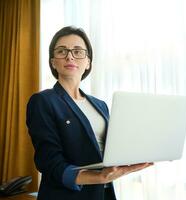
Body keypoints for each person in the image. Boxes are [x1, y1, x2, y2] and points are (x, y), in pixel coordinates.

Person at [26, 26, 152, 200]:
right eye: (62, 51)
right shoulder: (43, 101)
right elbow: (49, 161)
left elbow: (109, 150)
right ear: (53, 61)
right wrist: (98, 177)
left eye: (78, 51)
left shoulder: (100, 105)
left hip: (103, 194)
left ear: (88, 63)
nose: (70, 56)